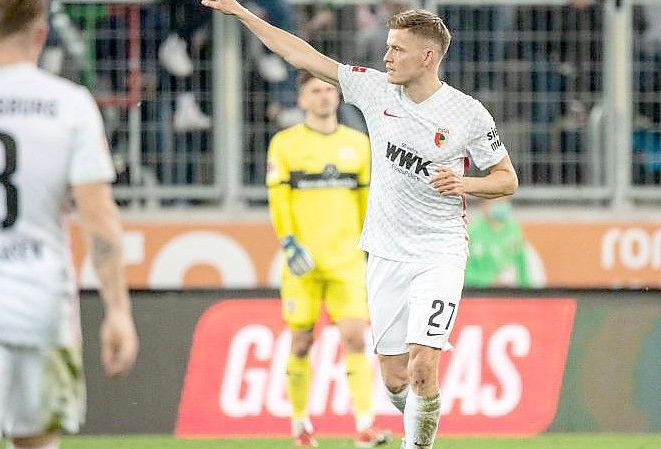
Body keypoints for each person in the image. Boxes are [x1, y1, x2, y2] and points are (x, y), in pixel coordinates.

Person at [201, 1, 518, 448]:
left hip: (439, 252)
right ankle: (421, 423)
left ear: (427, 57)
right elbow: (300, 54)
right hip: (386, 253)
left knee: (423, 365)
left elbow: (507, 179)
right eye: (387, 47)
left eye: (396, 49)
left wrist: (464, 182)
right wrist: (244, 15)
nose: (385, 56)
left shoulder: (467, 114)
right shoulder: (375, 90)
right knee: (394, 379)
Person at [0, 2, 139, 449]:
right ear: (40, 34)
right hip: (40, 301)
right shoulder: (68, 105)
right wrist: (118, 311)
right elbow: (99, 219)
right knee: (38, 443)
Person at [266, 70, 390, 448]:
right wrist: (288, 241)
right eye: (314, 91)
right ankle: (301, 426)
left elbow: (366, 201)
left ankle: (365, 426)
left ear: (337, 98)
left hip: (346, 260)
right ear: (302, 99)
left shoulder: (358, 144)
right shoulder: (285, 144)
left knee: (355, 337)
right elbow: (279, 198)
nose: (323, 97)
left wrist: (371, 246)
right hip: (302, 262)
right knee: (301, 342)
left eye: (328, 91)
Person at [464, 199, 531, 288]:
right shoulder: (472, 232)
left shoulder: (514, 229)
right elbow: (465, 272)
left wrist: (526, 291)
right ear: (483, 204)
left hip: (512, 294)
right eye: (495, 201)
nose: (500, 205)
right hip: (481, 294)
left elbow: (522, 265)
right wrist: (490, 281)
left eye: (502, 200)